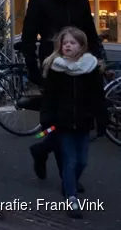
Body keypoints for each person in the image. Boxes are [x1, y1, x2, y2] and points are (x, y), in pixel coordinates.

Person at [22, 0, 106, 184]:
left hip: (81, 65)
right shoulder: (39, 0)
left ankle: (42, 148)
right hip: (54, 66)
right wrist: (34, 70)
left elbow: (89, 31)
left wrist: (97, 58)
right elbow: (28, 37)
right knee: (55, 121)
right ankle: (66, 177)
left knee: (72, 119)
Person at [40, 26, 106, 218]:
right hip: (63, 121)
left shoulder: (90, 67)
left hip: (84, 121)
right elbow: (49, 97)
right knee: (70, 160)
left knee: (82, 161)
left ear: (82, 46)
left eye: (72, 42)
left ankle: (68, 184)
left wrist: (101, 118)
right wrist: (47, 118)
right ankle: (72, 198)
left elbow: (97, 96)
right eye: (65, 42)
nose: (68, 45)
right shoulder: (57, 68)